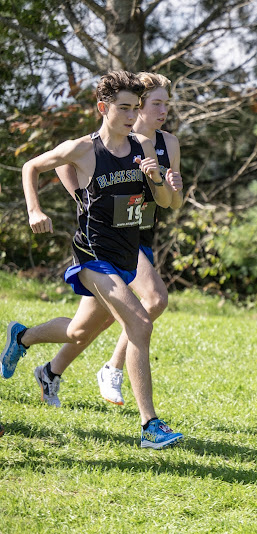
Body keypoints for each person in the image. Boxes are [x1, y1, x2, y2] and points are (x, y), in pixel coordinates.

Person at [1, 70, 184, 449]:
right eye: (124, 108)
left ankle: (22, 337)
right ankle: (150, 425)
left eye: (136, 108)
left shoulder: (142, 146)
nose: (132, 116)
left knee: (79, 332)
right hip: (92, 256)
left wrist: (158, 181)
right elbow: (30, 166)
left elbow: (165, 204)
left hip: (126, 256)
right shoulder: (82, 149)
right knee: (140, 323)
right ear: (103, 108)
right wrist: (35, 210)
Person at [47, 72, 183, 407]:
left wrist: (170, 186)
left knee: (85, 327)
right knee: (154, 301)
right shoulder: (118, 134)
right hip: (112, 239)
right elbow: (64, 161)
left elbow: (172, 203)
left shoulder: (167, 143)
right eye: (156, 104)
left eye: (166, 104)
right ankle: (114, 369)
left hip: (141, 232)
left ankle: (45, 364)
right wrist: (82, 195)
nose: (162, 110)